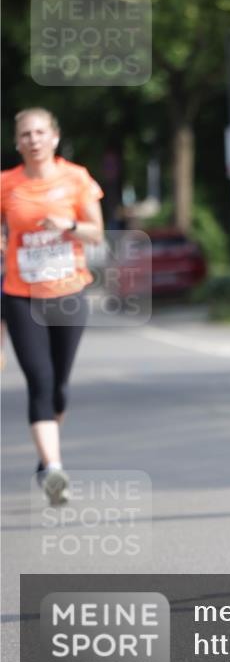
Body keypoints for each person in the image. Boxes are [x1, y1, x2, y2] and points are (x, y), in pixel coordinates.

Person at [1, 108, 104, 505]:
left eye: (40, 132)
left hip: (68, 293)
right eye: (26, 134)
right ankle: (55, 468)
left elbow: (96, 233)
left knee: (59, 387)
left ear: (55, 137)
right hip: (21, 295)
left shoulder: (76, 178)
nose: (34, 140)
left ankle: (45, 462)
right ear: (17, 142)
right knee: (40, 381)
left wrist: (69, 225)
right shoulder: (6, 184)